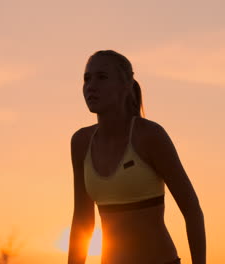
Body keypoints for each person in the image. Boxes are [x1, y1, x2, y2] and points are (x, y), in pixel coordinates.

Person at [67, 50, 206, 264]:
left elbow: (191, 208)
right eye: (87, 78)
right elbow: (82, 222)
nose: (91, 86)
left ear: (125, 86)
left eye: (102, 77)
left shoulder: (149, 135)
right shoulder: (80, 142)